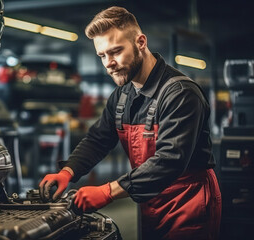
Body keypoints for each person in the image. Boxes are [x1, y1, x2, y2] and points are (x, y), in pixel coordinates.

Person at [39, 6, 221, 240]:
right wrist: (68, 171)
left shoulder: (180, 93)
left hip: (189, 202)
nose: (108, 63)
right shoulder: (122, 95)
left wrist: (107, 191)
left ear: (141, 42)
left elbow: (169, 161)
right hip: (149, 199)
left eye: (115, 52)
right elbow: (99, 138)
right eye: (102, 55)